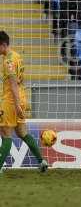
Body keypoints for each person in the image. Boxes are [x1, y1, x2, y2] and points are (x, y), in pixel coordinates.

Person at [0, 31, 48, 174]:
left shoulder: (8, 61)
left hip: (10, 101)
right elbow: (22, 80)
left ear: (3, 45)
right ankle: (42, 161)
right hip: (21, 98)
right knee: (22, 132)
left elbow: (13, 83)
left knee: (5, 133)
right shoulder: (17, 56)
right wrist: (20, 103)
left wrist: (15, 104)